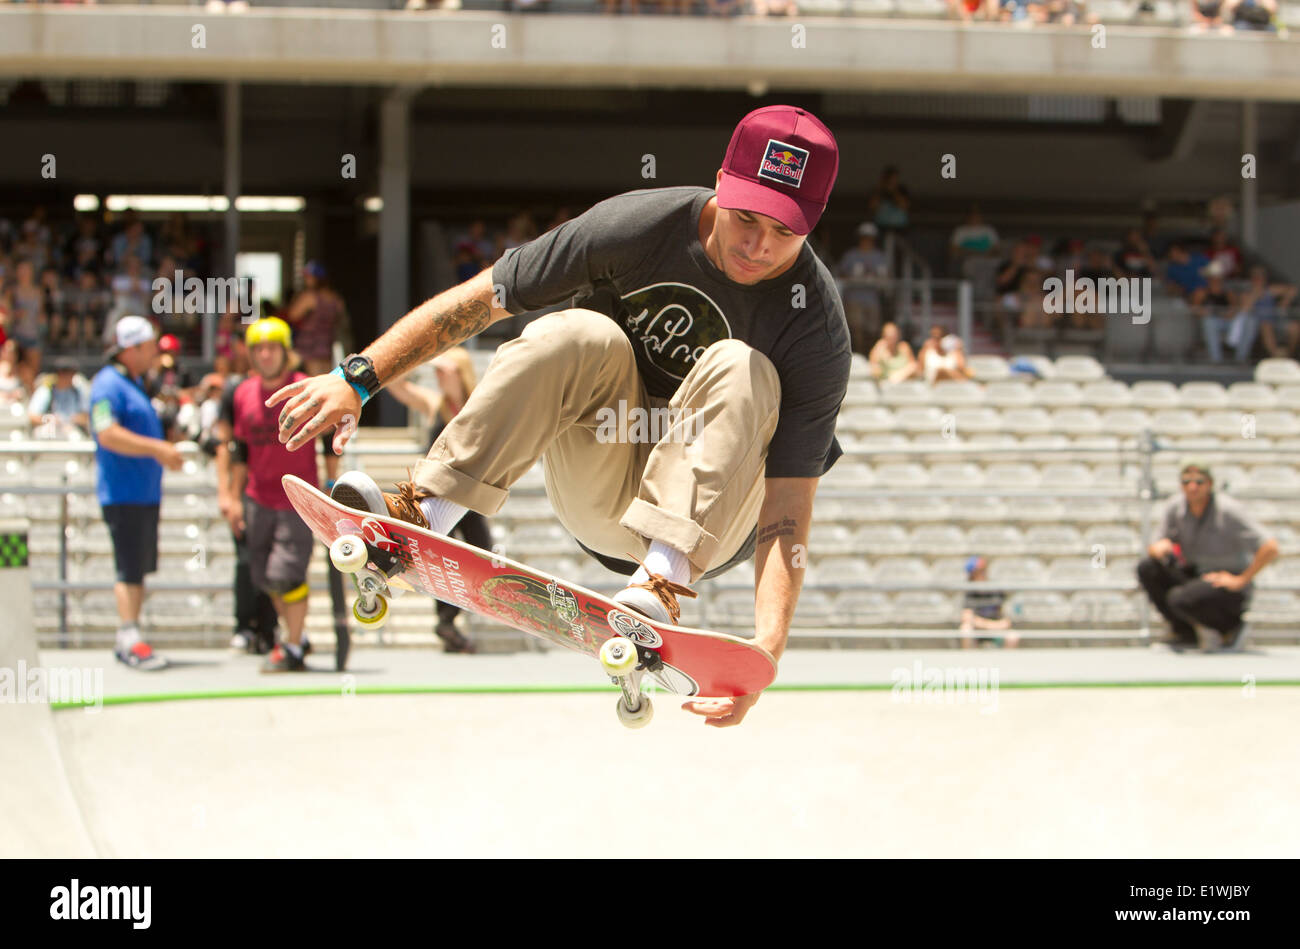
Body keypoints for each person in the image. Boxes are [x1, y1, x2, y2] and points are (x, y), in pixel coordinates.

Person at [269, 105, 850, 728]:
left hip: (710, 523)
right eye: (745, 220)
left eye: (783, 234)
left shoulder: (814, 324)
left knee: (742, 365)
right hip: (599, 483)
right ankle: (428, 509)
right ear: (720, 184)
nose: (758, 247)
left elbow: (788, 506)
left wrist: (764, 652)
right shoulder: (638, 227)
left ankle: (660, 584)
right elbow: (486, 298)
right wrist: (358, 377)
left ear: (811, 226)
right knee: (575, 332)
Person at [217, 317, 338, 672]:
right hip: (257, 497)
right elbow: (240, 451)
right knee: (264, 577)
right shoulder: (240, 392)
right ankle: (296, 636)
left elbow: (330, 436)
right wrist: (232, 497)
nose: (266, 355)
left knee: (288, 574)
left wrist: (332, 485)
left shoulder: (307, 388)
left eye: (272, 348)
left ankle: (294, 646)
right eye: (258, 349)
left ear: (286, 352)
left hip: (297, 499)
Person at [89, 315, 185, 670]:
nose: (154, 356)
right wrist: (157, 449)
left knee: (138, 568)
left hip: (142, 493)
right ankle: (129, 636)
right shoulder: (107, 385)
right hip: (123, 493)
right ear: (131, 349)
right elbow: (107, 433)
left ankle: (129, 634)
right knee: (128, 568)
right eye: (148, 348)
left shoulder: (134, 383)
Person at [384, 347, 490, 653]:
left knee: (480, 554)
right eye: (437, 372)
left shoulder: (477, 406)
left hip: (467, 495)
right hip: (438, 495)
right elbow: (398, 387)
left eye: (444, 371)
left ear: (460, 372)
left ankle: (462, 612)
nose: (438, 377)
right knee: (442, 556)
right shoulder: (436, 404)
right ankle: (447, 621)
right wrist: (418, 357)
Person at [1138, 459, 1279, 652]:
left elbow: (1270, 547)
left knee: (1180, 598)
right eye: (1187, 482)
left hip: (1226, 581)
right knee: (1148, 568)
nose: (1192, 487)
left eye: (1199, 481)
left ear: (1210, 484)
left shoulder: (1229, 510)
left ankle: (1231, 628)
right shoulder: (1175, 507)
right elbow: (1154, 546)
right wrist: (1159, 548)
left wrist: (1241, 579)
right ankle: (1185, 633)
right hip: (1196, 574)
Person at [284, 261, 348, 376]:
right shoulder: (336, 298)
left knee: (314, 383)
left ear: (317, 278)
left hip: (309, 348)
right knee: (326, 381)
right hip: (327, 347)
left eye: (308, 277)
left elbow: (292, 315)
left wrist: (296, 298)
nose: (306, 280)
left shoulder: (310, 296)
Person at [836, 223, 888, 356]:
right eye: (864, 237)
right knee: (856, 328)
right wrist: (854, 277)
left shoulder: (879, 256)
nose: (867, 240)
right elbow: (840, 274)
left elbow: (886, 276)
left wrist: (875, 277)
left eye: (869, 237)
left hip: (872, 298)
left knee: (872, 329)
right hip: (854, 298)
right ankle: (858, 355)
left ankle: (870, 354)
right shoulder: (851, 255)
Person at [1240, 265, 1299, 359]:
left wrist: (1284, 303)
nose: (1259, 280)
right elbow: (1244, 309)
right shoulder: (1247, 292)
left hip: (1275, 319)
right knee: (1266, 326)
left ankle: (1289, 354)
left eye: (1261, 277)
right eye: (1256, 277)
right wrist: (1255, 296)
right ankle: (1276, 355)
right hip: (1257, 322)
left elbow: (1292, 289)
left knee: (1295, 327)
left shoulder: (1269, 290)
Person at [960, 556, 1016, 650]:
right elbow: (967, 617)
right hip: (978, 630)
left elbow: (1007, 620)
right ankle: (969, 661)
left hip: (997, 629)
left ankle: (1006, 663)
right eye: (978, 571)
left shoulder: (997, 590)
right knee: (965, 629)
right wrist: (988, 625)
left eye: (983, 570)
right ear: (972, 574)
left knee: (1012, 636)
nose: (982, 574)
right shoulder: (969, 592)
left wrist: (996, 626)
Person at [28, 356, 90, 437]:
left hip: (73, 431)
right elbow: (32, 416)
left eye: (72, 374)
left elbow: (87, 416)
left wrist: (75, 419)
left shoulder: (78, 391)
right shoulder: (46, 391)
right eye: (67, 374)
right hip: (51, 431)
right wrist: (49, 419)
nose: (71, 377)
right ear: (59, 374)